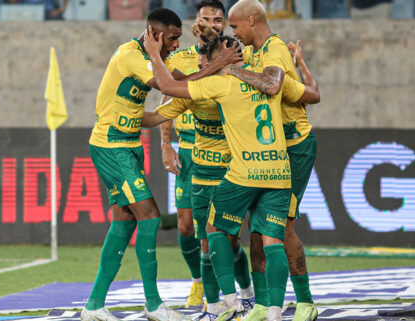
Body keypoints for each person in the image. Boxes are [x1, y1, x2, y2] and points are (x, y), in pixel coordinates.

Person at [81, 8, 239, 321]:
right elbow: (169, 86)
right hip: (112, 146)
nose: (177, 46)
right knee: (150, 217)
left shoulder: (153, 57)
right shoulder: (132, 57)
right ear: (155, 35)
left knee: (124, 222)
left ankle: (94, 305)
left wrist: (185, 97)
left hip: (128, 144)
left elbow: (179, 86)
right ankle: (154, 305)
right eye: (173, 39)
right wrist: (220, 63)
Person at [143, 32, 309, 321]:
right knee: (272, 241)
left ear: (219, 58)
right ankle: (273, 311)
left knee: (214, 231)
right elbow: (312, 95)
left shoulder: (220, 83)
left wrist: (154, 55)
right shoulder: (270, 78)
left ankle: (231, 303)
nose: (201, 65)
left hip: (243, 172)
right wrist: (302, 67)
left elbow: (168, 85)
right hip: (279, 171)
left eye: (206, 60)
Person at [223, 1, 320, 321]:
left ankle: (305, 301)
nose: (233, 32)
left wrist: (233, 70)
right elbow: (309, 94)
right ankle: (264, 304)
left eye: (235, 26)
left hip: (294, 147)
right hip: (268, 151)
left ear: (251, 21)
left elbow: (274, 85)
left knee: (282, 227)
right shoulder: (256, 51)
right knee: (257, 228)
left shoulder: (275, 51)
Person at [158, 0, 254, 311]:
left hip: (229, 153)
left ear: (225, 24)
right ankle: (201, 285)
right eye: (206, 18)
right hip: (190, 149)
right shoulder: (183, 57)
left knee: (225, 237)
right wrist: (165, 143)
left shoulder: (238, 57)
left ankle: (241, 291)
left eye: (218, 18)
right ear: (196, 23)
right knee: (188, 227)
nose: (212, 23)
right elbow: (167, 94)